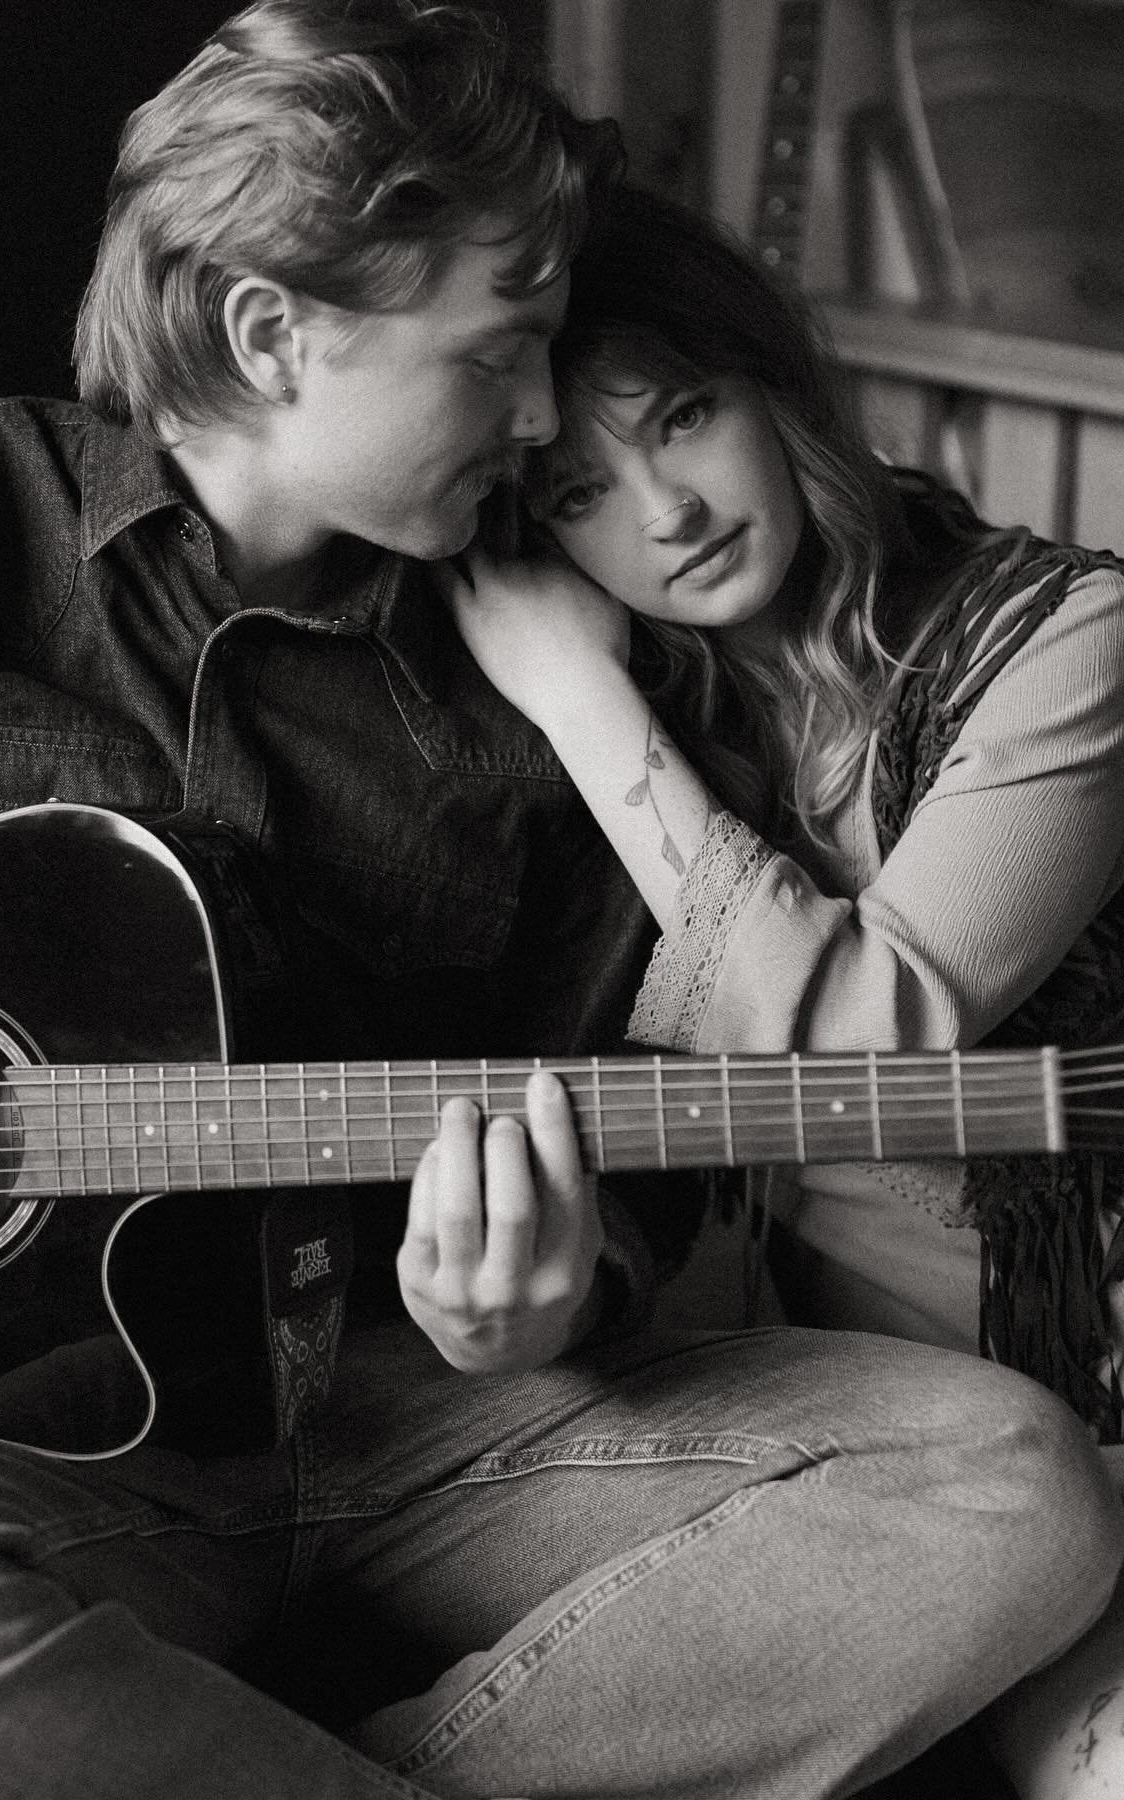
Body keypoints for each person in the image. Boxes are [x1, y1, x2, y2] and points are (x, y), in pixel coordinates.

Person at [0, 12, 1119, 1798]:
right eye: (502, 358)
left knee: (1011, 1482)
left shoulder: (555, 658)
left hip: (403, 1420)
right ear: (275, 333)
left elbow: (627, 1210)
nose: (537, 425)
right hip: (8, 1457)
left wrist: (542, 1303)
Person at [440, 180, 1124, 1796]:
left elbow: (867, 1043)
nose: (665, 512)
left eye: (684, 418)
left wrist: (580, 704)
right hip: (848, 1435)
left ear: (778, 390)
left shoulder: (1071, 637)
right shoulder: (653, 738)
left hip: (1090, 1403)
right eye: (581, 492)